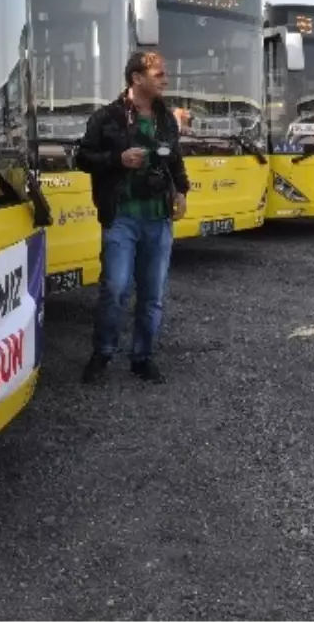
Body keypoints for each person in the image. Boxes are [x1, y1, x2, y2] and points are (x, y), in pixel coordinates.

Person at [76, 50, 189, 384]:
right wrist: (117, 159)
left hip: (158, 217)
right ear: (137, 78)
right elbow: (81, 158)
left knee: (153, 294)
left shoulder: (166, 118)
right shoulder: (107, 117)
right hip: (122, 216)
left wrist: (182, 191)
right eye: (159, 75)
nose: (165, 80)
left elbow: (175, 158)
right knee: (116, 288)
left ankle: (142, 358)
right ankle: (103, 353)